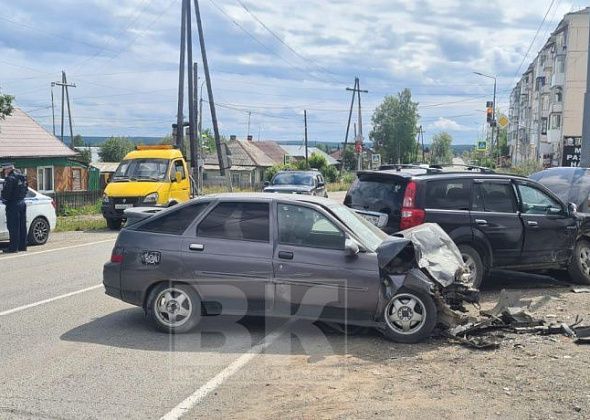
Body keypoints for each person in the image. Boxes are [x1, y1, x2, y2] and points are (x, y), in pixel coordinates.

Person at [1, 163, 28, 253]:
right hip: (22, 202)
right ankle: (22, 246)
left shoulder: (10, 178)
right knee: (22, 226)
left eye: (5, 170)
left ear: (9, 169)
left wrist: (4, 199)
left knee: (13, 227)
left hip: (13, 205)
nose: (4, 172)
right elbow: (26, 189)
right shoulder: (22, 177)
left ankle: (13, 248)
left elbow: (6, 193)